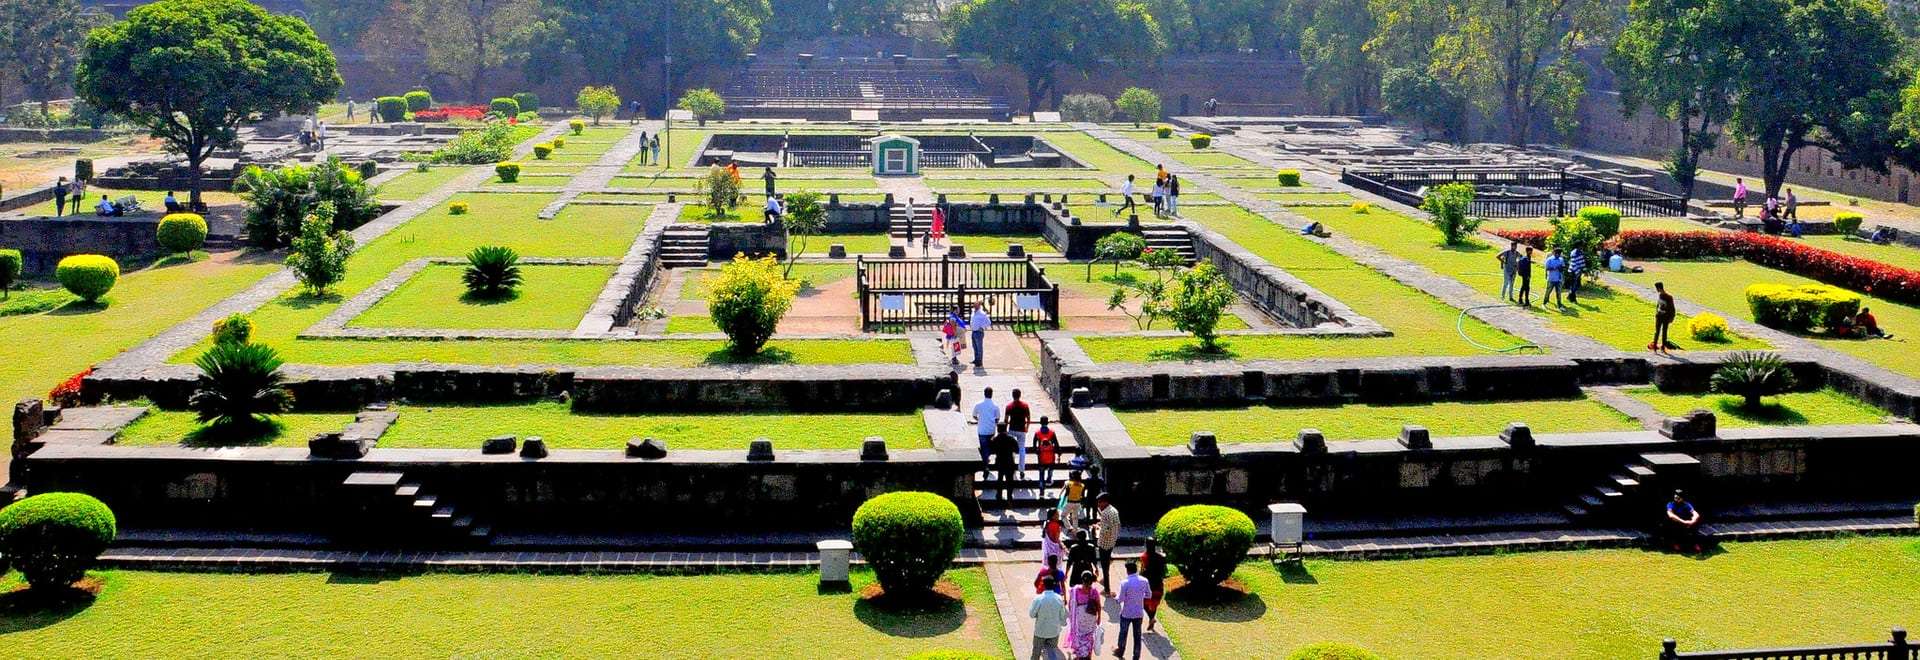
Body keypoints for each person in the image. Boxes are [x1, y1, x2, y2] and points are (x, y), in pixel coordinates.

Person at [1114, 561, 1150, 660]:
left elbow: (1120, 599)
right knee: (1137, 635)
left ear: (1127, 570)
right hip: (1138, 613)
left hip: (1126, 613)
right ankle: (1136, 656)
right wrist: (1140, 596)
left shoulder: (1124, 583)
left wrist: (1115, 598)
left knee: (1123, 633)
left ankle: (1120, 652)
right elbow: (1149, 595)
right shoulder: (1144, 581)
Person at [1030, 574, 1067, 660]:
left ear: (1043, 585)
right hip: (1054, 632)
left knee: (1036, 653)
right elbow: (1062, 617)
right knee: (1051, 652)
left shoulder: (1038, 599)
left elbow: (1031, 614)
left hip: (1040, 631)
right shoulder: (1059, 599)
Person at [1067, 571, 1103, 660]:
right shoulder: (1094, 591)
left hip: (1079, 619)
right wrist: (1099, 617)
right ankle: (1088, 655)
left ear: (1082, 580)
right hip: (1090, 620)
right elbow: (1098, 605)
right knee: (1089, 637)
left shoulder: (1075, 590)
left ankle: (1080, 655)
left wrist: (1072, 616)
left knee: (1079, 637)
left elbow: (1070, 605)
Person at [1139, 538, 1167, 632]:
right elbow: (1164, 572)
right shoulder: (1161, 558)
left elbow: (1142, 572)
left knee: (1143, 603)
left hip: (1147, 585)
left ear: (1146, 545)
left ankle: (1151, 618)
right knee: (1154, 603)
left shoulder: (1144, 557)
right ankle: (1152, 618)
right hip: (1158, 585)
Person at [1664, 489, 1705, 553]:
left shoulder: (1686, 504)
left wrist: (1692, 521)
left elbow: (1696, 514)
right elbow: (1671, 515)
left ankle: (1694, 543)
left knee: (1696, 523)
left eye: (1678, 498)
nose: (1676, 499)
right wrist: (1683, 522)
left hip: (1685, 522)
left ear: (1682, 498)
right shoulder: (1670, 504)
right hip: (1676, 523)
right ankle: (1675, 543)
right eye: (1675, 497)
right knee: (1673, 525)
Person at [1093, 493, 1120, 590]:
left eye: (1100, 502)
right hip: (1112, 541)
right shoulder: (1114, 510)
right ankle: (1104, 580)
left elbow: (1105, 531)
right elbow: (1115, 525)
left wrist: (1097, 529)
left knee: (1104, 566)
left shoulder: (1105, 513)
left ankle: (1107, 588)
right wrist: (1101, 524)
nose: (1098, 505)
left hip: (1104, 543)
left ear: (1106, 502)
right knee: (1107, 561)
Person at [1005, 389, 1032, 479]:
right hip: (1021, 430)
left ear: (1012, 395)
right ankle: (1021, 470)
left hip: (1012, 429)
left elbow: (1006, 420)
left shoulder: (1009, 406)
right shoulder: (1025, 406)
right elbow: (1028, 418)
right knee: (1022, 450)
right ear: (1020, 395)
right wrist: (1027, 428)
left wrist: (1006, 431)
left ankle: (1011, 468)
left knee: (1010, 450)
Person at [972, 387, 1001, 467]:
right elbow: (998, 418)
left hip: (981, 430)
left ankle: (985, 465)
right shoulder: (995, 406)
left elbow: (974, 415)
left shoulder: (978, 404)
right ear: (992, 394)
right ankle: (986, 461)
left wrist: (979, 420)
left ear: (984, 394)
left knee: (983, 447)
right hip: (991, 430)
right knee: (989, 447)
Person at [992, 423, 1019, 501]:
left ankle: (999, 495)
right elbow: (1017, 449)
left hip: (1000, 462)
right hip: (1009, 462)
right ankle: (1009, 496)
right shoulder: (1011, 439)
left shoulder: (995, 439)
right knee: (1009, 480)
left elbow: (992, 449)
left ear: (998, 429)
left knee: (1000, 479)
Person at [1034, 416, 1059, 491]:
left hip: (1041, 456)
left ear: (1040, 422)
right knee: (1051, 469)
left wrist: (1037, 451)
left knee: (1041, 474)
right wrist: (1059, 452)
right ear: (1047, 422)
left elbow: (1034, 443)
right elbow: (1056, 444)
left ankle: (1041, 490)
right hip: (1050, 455)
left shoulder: (1037, 432)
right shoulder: (1052, 432)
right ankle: (1049, 479)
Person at [1652, 281, 1677, 355]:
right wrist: (1656, 313)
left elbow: (1673, 309)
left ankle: (1663, 347)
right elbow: (1658, 304)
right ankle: (1655, 346)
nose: (1656, 290)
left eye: (1657, 288)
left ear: (1659, 288)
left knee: (1664, 332)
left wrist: (1672, 317)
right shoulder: (1660, 295)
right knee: (1657, 331)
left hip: (1665, 317)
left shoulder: (1669, 297)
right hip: (1659, 316)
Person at [969, 301, 990, 367]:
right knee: (974, 347)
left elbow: (988, 322)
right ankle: (976, 359)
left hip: (978, 332)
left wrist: (981, 327)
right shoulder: (973, 312)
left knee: (979, 347)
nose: (974, 306)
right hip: (973, 331)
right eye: (974, 305)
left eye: (976, 305)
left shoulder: (982, 314)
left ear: (979, 306)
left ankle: (979, 362)